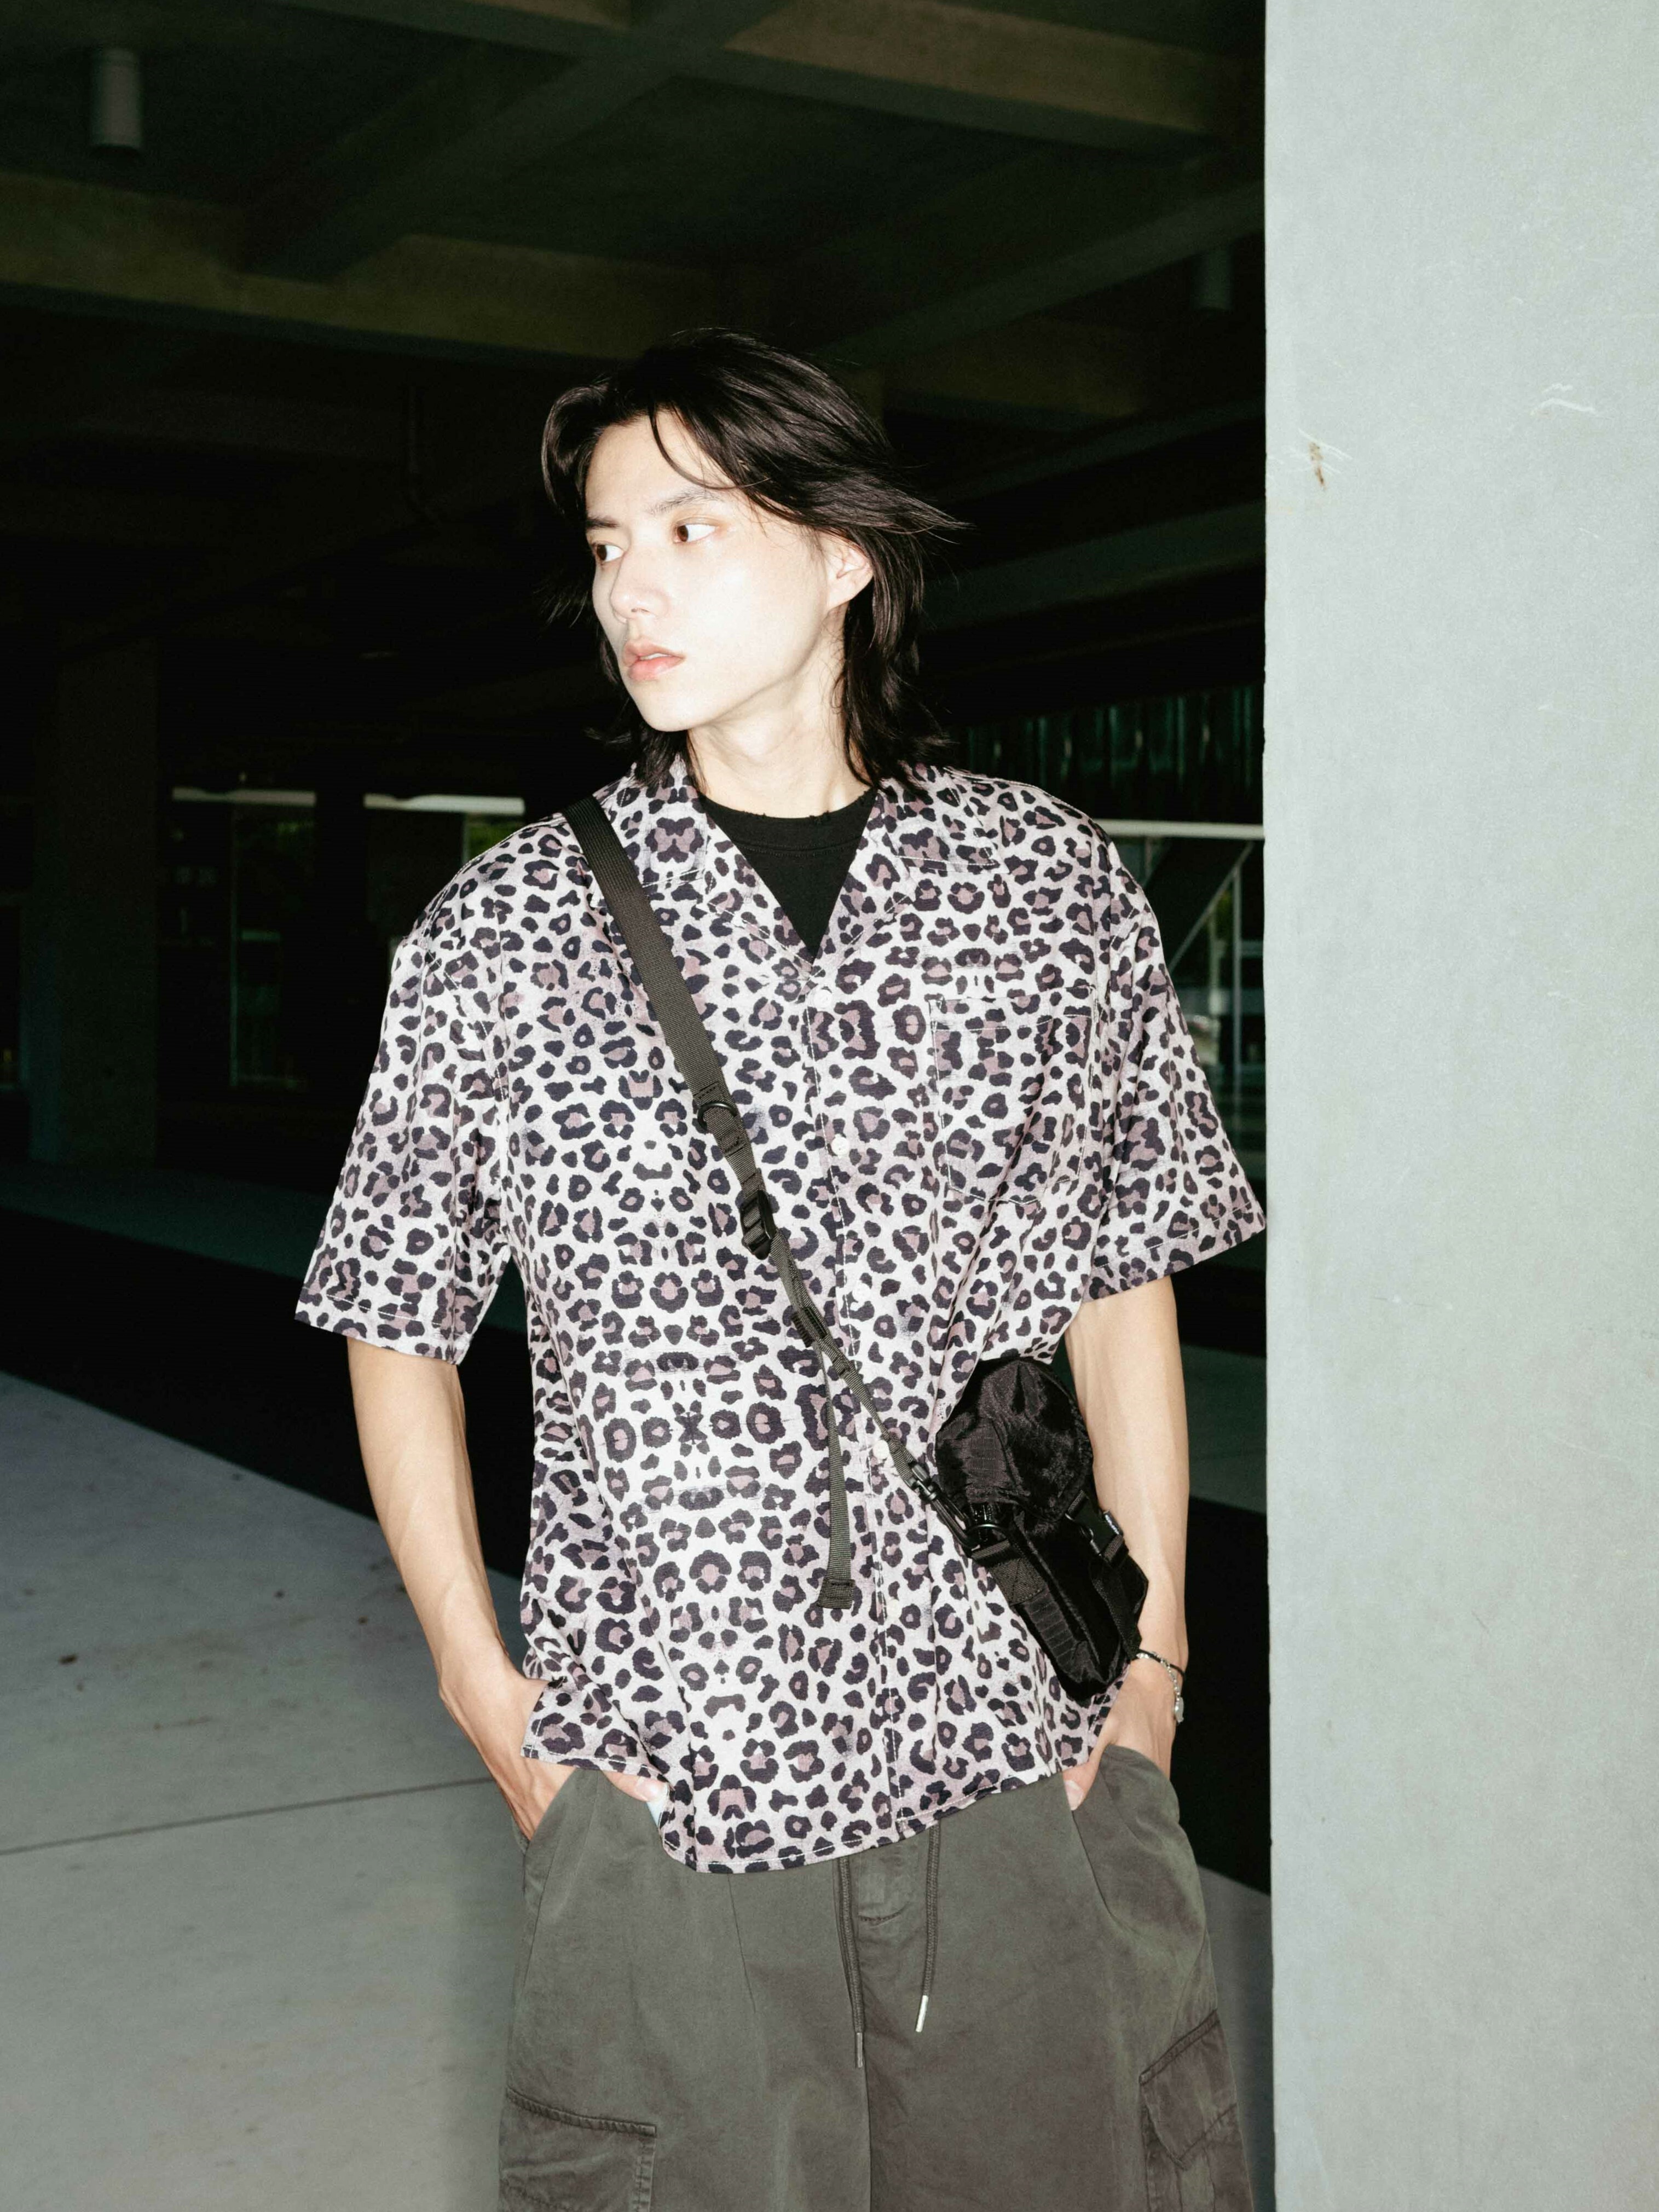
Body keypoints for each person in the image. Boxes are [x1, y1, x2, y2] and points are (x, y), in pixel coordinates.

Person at [297, 328, 1265, 2211]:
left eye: (689, 529)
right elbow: (394, 1310)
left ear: (844, 554)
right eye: (606, 546)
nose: (632, 591)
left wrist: (1151, 1670)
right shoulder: (507, 931)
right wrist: (484, 1686)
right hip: (678, 1771)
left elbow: (1122, 1273)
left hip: (1020, 1740)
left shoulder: (1044, 887)